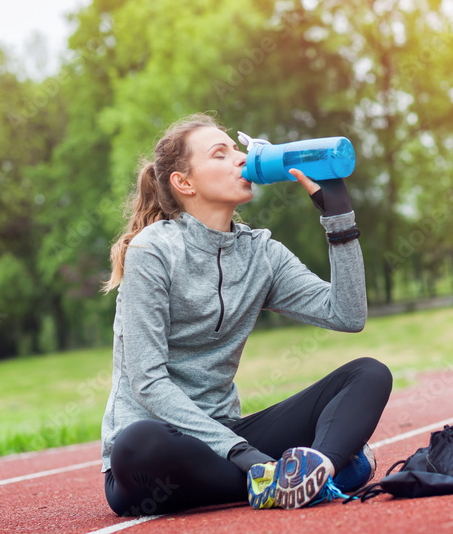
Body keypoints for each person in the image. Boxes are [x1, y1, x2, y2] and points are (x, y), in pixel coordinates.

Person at [99, 113, 392, 516]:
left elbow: (346, 314)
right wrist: (245, 454)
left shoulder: (261, 253)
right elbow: (147, 383)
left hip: (229, 438)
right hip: (161, 456)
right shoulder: (153, 251)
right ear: (183, 183)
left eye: (237, 149)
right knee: (137, 444)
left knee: (369, 373)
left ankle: (311, 472)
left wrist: (338, 218)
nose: (241, 158)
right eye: (221, 153)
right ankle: (301, 474)